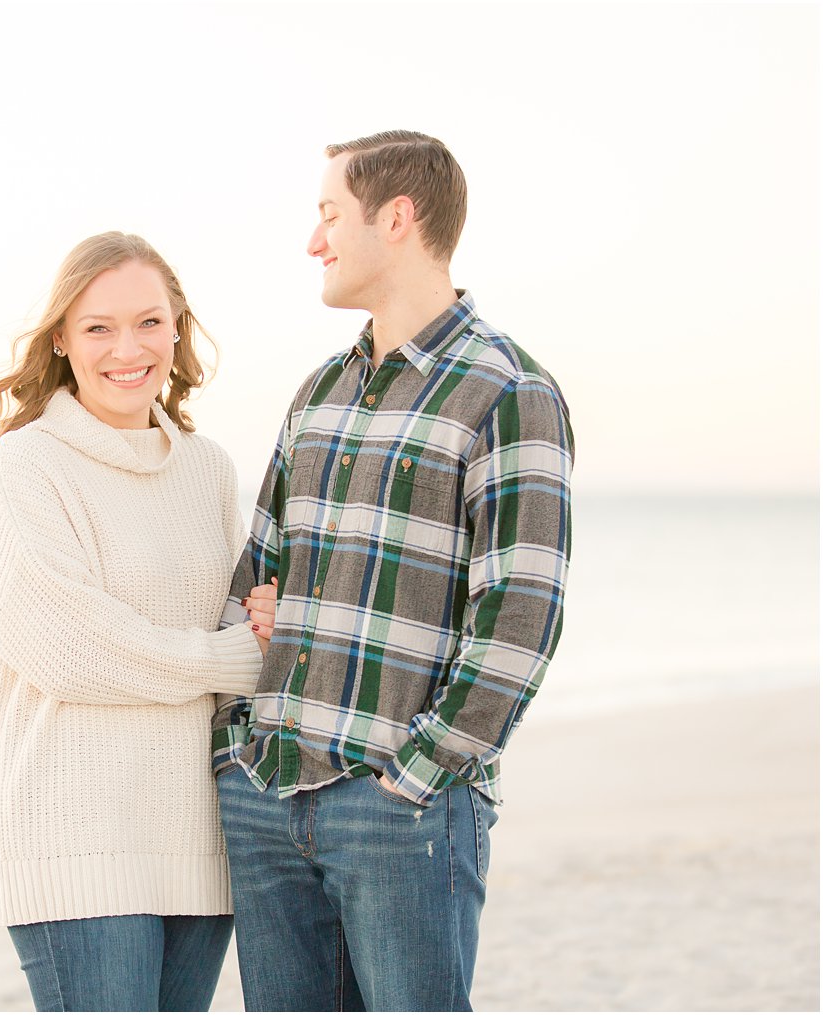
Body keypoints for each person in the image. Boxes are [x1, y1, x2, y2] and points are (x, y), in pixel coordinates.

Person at [215, 130, 575, 1012]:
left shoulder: (506, 389)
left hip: (401, 810)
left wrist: (415, 774)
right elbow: (256, 569)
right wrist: (234, 749)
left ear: (398, 218)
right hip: (268, 794)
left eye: (330, 214)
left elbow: (521, 617)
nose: (315, 241)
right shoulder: (319, 394)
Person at [0, 231, 277, 1012]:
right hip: (74, 840)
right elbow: (65, 645)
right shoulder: (25, 465)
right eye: (97, 326)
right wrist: (232, 657)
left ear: (178, 328)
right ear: (62, 340)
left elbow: (235, 617)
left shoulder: (207, 469)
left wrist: (260, 619)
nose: (125, 348)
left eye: (148, 322)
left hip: (197, 840)